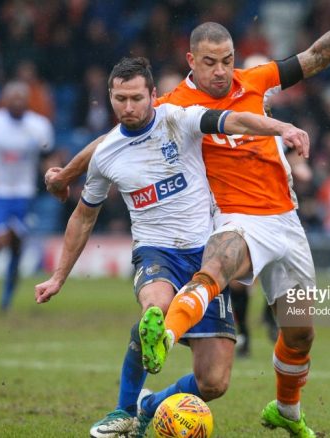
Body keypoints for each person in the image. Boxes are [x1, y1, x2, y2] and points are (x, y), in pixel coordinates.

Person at [46, 2, 330, 435]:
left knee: (299, 332)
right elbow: (112, 140)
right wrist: (67, 175)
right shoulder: (173, 105)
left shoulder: (256, 81)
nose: (221, 72)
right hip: (234, 217)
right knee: (218, 265)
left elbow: (314, 58)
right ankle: (162, 337)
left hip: (286, 220)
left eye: (227, 61)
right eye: (210, 63)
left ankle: (285, 410)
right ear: (191, 61)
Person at [34, 57, 309, 438]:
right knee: (157, 309)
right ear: (110, 97)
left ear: (152, 96)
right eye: (119, 99)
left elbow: (233, 120)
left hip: (206, 253)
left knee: (214, 382)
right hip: (156, 253)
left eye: (135, 98)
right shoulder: (107, 154)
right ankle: (123, 410)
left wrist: (279, 127)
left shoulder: (179, 119)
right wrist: (58, 277)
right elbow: (83, 216)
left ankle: (149, 405)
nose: (127, 108)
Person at [0, 81, 54, 311]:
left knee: (17, 245)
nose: (17, 100)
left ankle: (5, 300)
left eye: (21, 97)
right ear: (4, 99)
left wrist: (56, 176)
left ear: (27, 100)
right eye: (12, 97)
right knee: (0, 241)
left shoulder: (39, 125)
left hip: (24, 194)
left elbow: (47, 156)